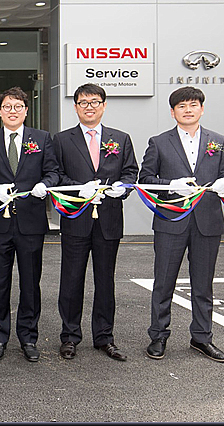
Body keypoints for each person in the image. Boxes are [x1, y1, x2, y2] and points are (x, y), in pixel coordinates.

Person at [139, 86, 224, 363]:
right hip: (171, 221)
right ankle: (158, 335)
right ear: (173, 112)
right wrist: (171, 185)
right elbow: (145, 179)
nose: (188, 109)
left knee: (203, 285)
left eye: (193, 104)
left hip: (207, 222)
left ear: (202, 109)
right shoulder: (159, 142)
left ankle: (202, 337)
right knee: (164, 283)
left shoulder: (218, 140)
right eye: (182, 106)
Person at [52, 83, 138, 361]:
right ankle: (70, 336)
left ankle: (104, 337)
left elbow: (130, 173)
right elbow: (55, 175)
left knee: (105, 281)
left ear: (104, 105)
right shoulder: (62, 140)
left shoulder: (121, 139)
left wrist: (122, 187)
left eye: (94, 101)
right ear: (75, 106)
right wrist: (79, 188)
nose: (89, 106)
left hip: (108, 222)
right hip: (76, 220)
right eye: (83, 102)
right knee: (71, 280)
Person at [0, 87, 59, 362]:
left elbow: (53, 172)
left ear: (26, 110)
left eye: (18, 106)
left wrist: (44, 185)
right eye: (7, 107)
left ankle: (28, 337)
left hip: (31, 223)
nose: (13, 111)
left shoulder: (42, 138)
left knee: (30, 283)